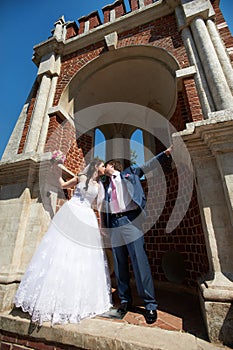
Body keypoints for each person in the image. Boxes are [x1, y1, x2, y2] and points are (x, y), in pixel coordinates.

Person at [14, 159, 112, 326]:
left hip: (87, 217)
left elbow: (100, 206)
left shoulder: (100, 186)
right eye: (102, 165)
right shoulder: (80, 177)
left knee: (82, 255)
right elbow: (63, 185)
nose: (103, 168)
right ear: (96, 166)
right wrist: (56, 169)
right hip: (71, 212)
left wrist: (102, 226)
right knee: (61, 249)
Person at [100, 146, 172, 324]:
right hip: (115, 224)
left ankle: (149, 305)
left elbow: (148, 165)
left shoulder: (130, 172)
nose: (104, 168)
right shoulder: (106, 185)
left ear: (112, 166)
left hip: (131, 221)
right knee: (119, 264)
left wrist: (166, 153)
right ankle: (125, 300)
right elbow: (104, 207)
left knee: (139, 261)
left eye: (106, 165)